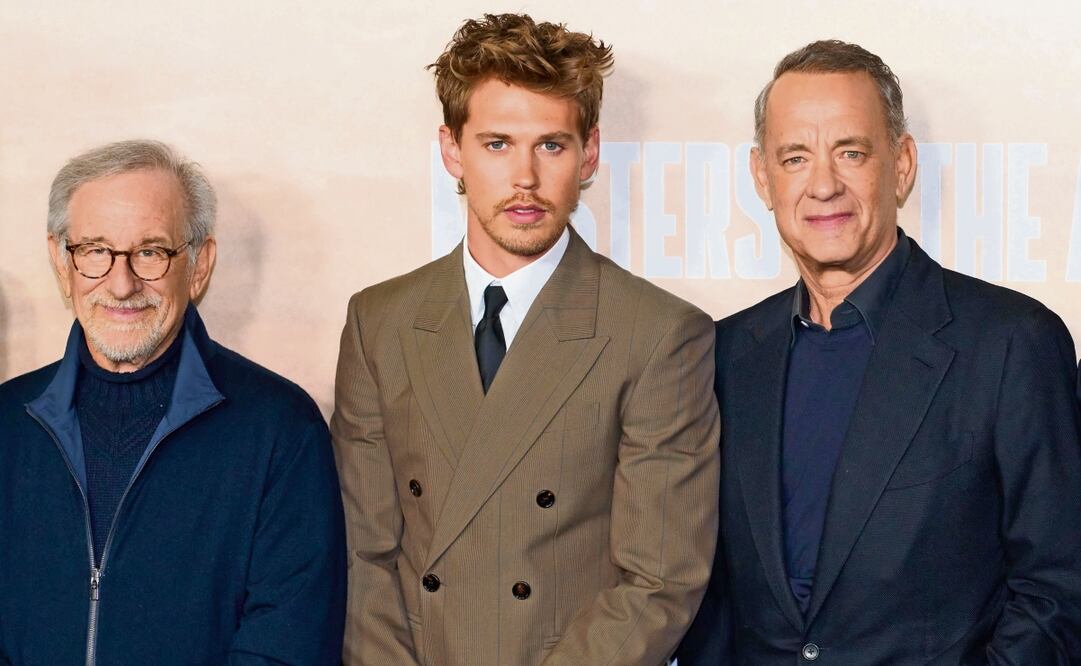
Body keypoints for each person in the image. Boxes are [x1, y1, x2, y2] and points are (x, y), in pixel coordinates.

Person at [331, 14, 719, 665]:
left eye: (551, 145)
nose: (525, 179)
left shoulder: (656, 335)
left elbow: (658, 581)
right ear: (452, 150)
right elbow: (362, 556)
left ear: (589, 151)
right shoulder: (380, 322)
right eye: (496, 144)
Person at [677, 40, 1081, 663]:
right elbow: (714, 595)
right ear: (762, 176)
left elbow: (1058, 587)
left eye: (851, 152)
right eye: (795, 157)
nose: (823, 185)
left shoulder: (1009, 343)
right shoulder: (724, 354)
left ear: (901, 163)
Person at [0, 140, 346, 664]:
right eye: (95, 250)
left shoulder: (281, 430)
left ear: (199, 264)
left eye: (150, 251)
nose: (121, 283)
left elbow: (286, 645)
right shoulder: (7, 424)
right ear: (61, 261)